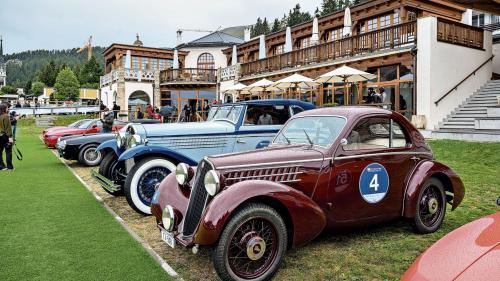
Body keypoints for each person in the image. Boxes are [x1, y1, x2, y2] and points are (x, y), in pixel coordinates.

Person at [0, 103, 14, 170]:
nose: (8, 109)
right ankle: (9, 166)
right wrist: (10, 137)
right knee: (8, 151)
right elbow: (8, 128)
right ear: (4, 109)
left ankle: (1, 166)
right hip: (5, 136)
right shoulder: (6, 116)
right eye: (7, 108)